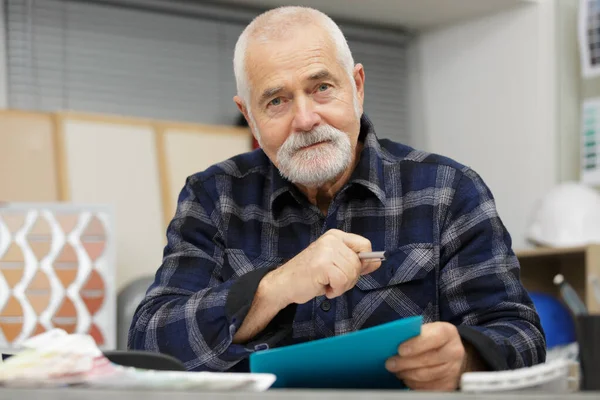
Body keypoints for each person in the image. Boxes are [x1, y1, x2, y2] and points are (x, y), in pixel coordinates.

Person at [128, 6, 546, 391]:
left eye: (322, 88)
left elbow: (521, 336)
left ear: (357, 86)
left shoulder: (449, 190)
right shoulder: (213, 197)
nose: (306, 119)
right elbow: (151, 343)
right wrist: (275, 287)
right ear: (250, 116)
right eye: (276, 101)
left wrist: (465, 359)